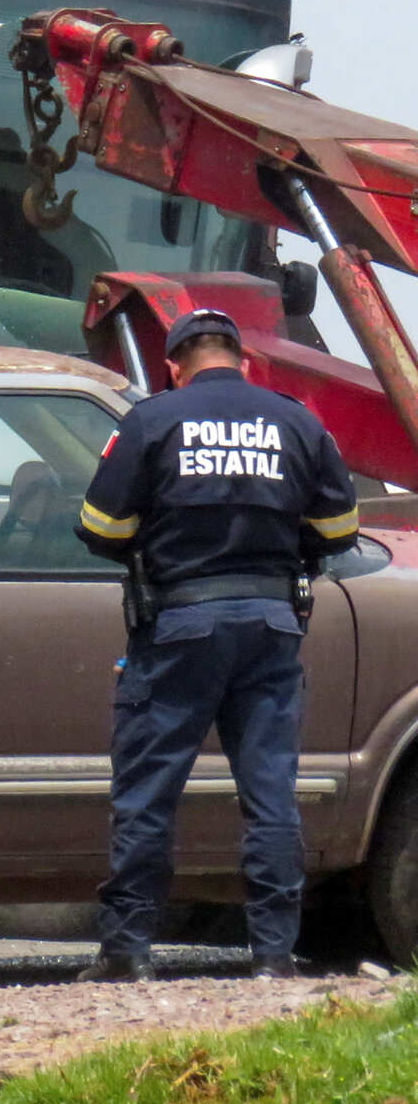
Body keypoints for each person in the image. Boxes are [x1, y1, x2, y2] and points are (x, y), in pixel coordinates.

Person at [74, 307, 359, 983]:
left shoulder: (153, 419)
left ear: (175, 364)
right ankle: (271, 957)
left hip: (181, 625)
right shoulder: (294, 420)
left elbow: (97, 525)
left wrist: (154, 542)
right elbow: (341, 525)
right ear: (242, 360)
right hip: (270, 624)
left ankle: (128, 953)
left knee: (150, 789)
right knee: (270, 792)